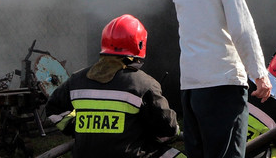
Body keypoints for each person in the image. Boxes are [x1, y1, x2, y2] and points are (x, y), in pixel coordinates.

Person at [172, 0, 271, 158]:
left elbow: (203, 4)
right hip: (223, 83)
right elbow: (241, 27)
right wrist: (259, 74)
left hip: (191, 86)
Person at [45, 14, 184, 158]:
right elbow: (168, 128)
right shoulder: (144, 84)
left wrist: (76, 127)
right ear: (140, 45)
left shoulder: (76, 80)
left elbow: (53, 109)